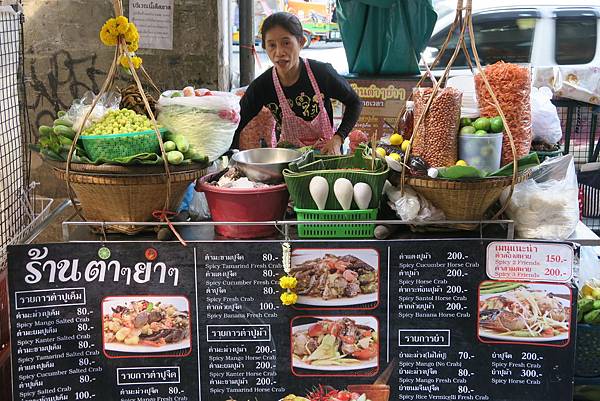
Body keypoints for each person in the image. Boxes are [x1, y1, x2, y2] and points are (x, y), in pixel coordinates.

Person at [231, 12, 362, 155]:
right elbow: (236, 122)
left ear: (301, 42)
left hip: (326, 155)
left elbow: (355, 103)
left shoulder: (322, 73)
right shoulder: (263, 86)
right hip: (288, 161)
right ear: (265, 47)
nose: (279, 52)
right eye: (272, 45)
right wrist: (228, 157)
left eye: (286, 43)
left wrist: (338, 138)